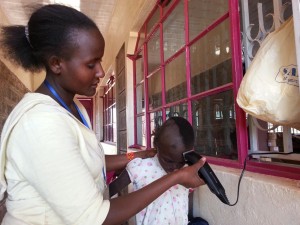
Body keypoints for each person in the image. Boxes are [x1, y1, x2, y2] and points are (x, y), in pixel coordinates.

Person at [0, 4, 206, 225]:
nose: (100, 71)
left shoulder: (72, 107)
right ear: (56, 63)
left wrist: (137, 155)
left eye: (99, 61)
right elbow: (96, 217)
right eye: (91, 64)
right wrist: (175, 177)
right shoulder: (41, 124)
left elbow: (89, 162)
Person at [110, 116, 196, 225]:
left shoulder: (186, 172)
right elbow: (110, 190)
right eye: (169, 161)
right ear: (156, 146)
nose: (175, 167)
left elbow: (186, 198)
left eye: (181, 162)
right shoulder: (140, 166)